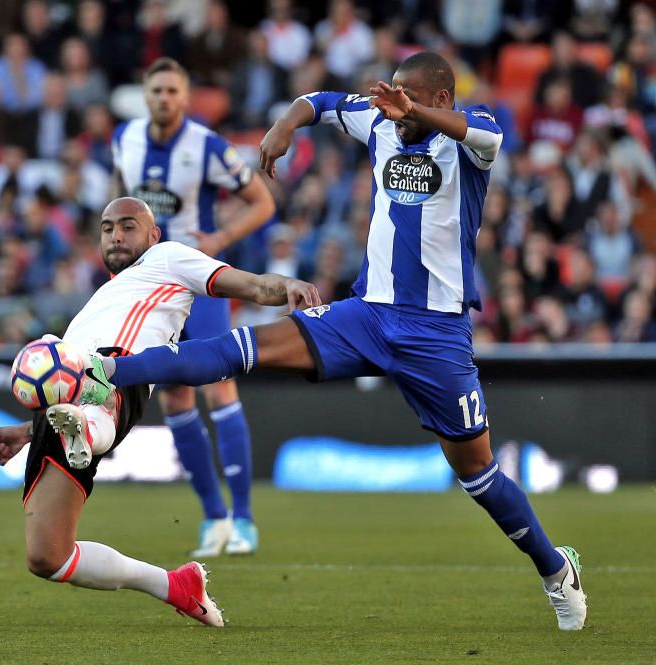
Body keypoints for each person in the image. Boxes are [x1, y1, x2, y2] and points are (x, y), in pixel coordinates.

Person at [85, 52, 589, 632]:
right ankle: (109, 371)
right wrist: (283, 125)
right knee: (246, 348)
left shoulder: (471, 136)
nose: (394, 108)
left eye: (410, 99)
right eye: (392, 97)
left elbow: (482, 132)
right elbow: (321, 103)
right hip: (367, 315)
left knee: (477, 474)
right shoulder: (379, 121)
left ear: (442, 99)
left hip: (437, 334)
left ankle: (556, 571)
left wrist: (413, 110)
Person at [0, 197, 319, 628]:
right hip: (63, 399)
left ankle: (87, 427)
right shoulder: (102, 297)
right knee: (47, 556)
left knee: (95, 397)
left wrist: (285, 286)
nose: (116, 235)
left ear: (153, 235)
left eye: (128, 226)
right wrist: (28, 430)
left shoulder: (169, 258)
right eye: (107, 228)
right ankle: (175, 585)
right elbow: (57, 381)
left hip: (120, 372)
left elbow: (250, 284)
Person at [111, 57, 276, 557]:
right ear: (145, 94)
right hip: (147, 286)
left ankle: (245, 517)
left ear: (185, 98)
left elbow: (263, 202)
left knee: (218, 388)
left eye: (173, 91)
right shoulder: (125, 139)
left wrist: (221, 236)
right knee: (174, 399)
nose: (164, 98)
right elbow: (120, 201)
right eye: (156, 89)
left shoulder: (207, 146)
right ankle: (213, 517)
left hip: (195, 279)